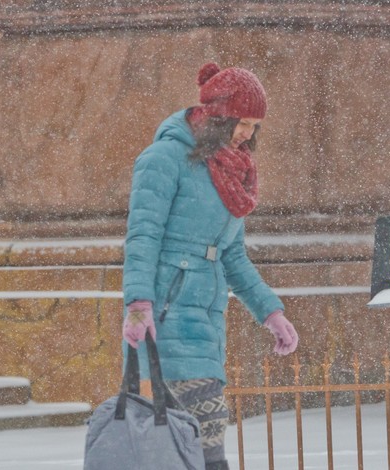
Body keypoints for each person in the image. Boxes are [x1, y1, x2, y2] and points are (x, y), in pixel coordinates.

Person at [121, 62, 300, 470]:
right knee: (201, 436)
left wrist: (270, 312)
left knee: (196, 439)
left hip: (206, 318)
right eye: (243, 123)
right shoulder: (164, 159)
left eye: (255, 126)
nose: (248, 135)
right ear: (221, 116)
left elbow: (232, 254)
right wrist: (138, 304)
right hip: (165, 314)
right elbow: (142, 238)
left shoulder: (230, 171)